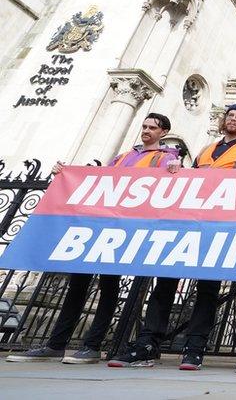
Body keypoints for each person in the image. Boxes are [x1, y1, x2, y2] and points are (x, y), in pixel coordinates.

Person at [7, 114, 180, 364]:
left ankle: (92, 345)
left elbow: (173, 183)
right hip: (99, 226)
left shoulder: (166, 158)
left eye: (152, 127)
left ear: (163, 132)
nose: (146, 130)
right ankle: (56, 344)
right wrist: (67, 173)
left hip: (126, 229)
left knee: (108, 287)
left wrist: (176, 169)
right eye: (144, 126)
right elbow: (99, 179)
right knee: (77, 285)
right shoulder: (123, 157)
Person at [108, 104, 236, 370]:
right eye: (230, 115)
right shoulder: (205, 150)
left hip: (221, 223)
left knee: (208, 287)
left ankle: (195, 348)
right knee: (165, 280)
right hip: (190, 220)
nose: (233, 119)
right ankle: (147, 344)